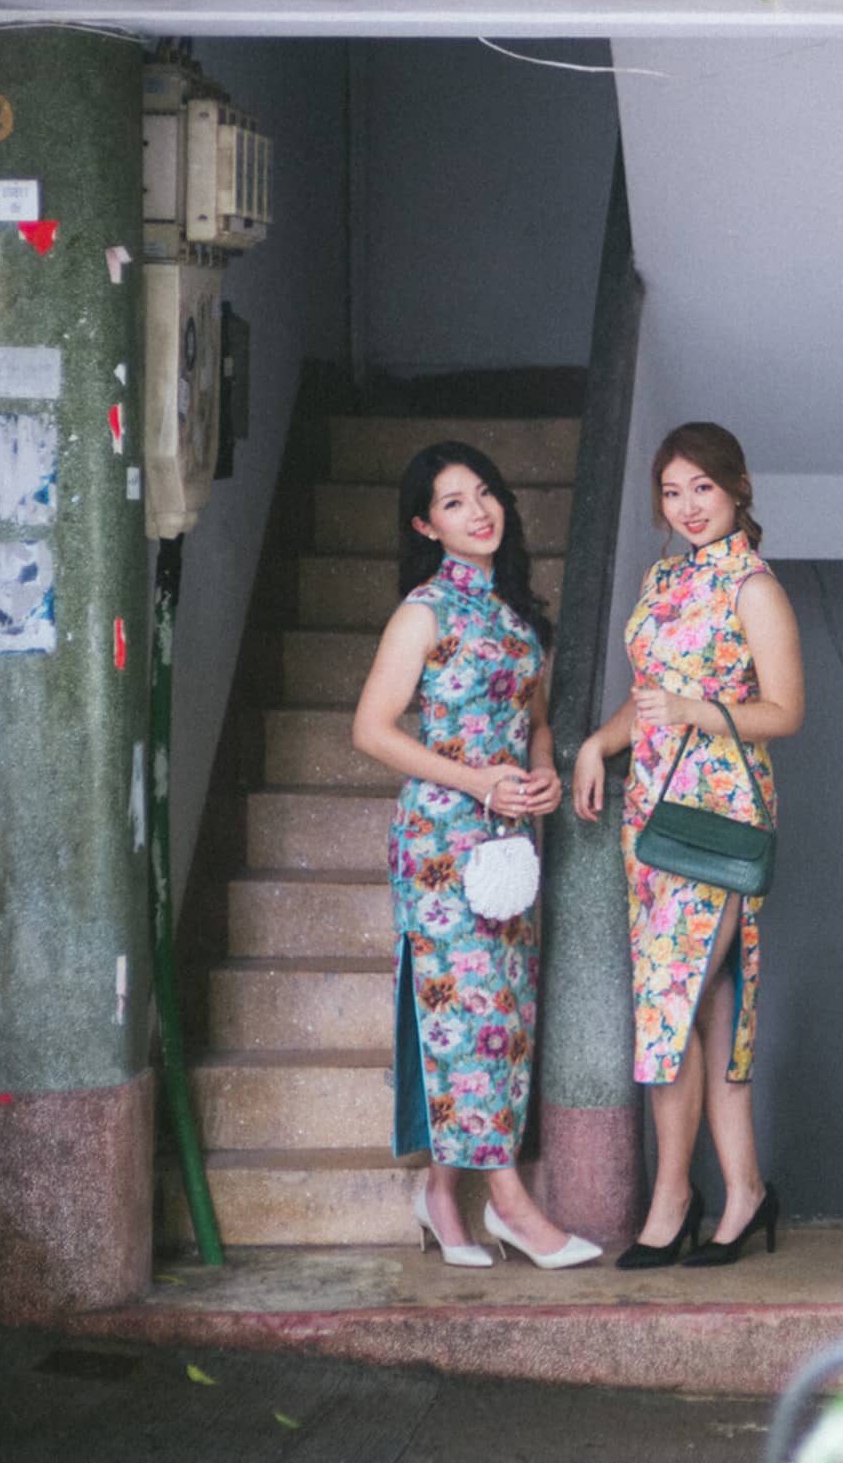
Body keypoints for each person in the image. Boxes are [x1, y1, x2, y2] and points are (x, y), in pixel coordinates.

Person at [352, 441, 601, 1270]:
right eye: (454, 502)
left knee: (503, 1022)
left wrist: (541, 779)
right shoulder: (422, 610)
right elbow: (373, 730)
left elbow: (534, 726)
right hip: (439, 843)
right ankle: (510, 1205)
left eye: (485, 491)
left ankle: (438, 1195)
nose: (479, 510)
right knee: (471, 1021)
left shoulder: (520, 613)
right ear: (427, 524)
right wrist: (476, 781)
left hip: (507, 836)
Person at [573, 422, 803, 1268]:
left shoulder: (754, 587)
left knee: (667, 1006)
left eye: (702, 487)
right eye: (672, 492)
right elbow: (648, 699)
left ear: (738, 486)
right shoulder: (662, 577)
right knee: (711, 1007)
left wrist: (703, 712)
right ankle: (745, 1190)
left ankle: (672, 1197)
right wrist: (600, 744)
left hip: (722, 812)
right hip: (651, 812)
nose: (687, 506)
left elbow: (786, 710)